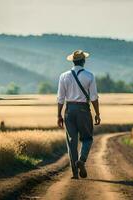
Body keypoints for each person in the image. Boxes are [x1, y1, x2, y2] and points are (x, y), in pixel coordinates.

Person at [57, 50, 101, 179]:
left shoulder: (63, 76)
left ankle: (75, 173)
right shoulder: (89, 76)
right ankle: (81, 160)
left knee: (72, 142)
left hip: (69, 110)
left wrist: (59, 115)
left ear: (72, 61)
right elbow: (94, 97)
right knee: (87, 138)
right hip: (83, 110)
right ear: (84, 61)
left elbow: (60, 98)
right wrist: (97, 114)